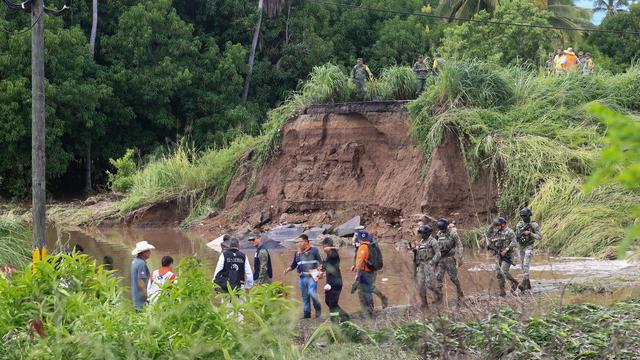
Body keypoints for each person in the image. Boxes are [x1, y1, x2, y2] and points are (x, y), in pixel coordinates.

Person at [284, 234, 323, 319]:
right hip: (302, 278)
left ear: (306, 242)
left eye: (300, 241)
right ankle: (307, 315)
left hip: (311, 278)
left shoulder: (314, 250)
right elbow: (294, 265)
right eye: (298, 242)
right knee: (305, 297)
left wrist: (320, 272)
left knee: (312, 294)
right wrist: (287, 270)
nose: (299, 243)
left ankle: (318, 311)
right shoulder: (297, 253)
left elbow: (322, 262)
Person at [351, 228, 389, 308]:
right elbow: (358, 255)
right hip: (370, 268)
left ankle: (369, 309)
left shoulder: (364, 244)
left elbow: (361, 257)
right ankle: (372, 305)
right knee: (366, 288)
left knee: (366, 289)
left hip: (366, 270)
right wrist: (355, 265)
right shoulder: (371, 241)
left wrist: (357, 272)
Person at [433, 218, 464, 303]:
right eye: (440, 229)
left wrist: (460, 257)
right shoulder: (439, 234)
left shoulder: (453, 234)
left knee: (453, 278)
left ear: (446, 226)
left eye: (443, 228)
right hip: (440, 259)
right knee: (438, 277)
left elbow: (459, 245)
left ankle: (460, 292)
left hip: (450, 258)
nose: (442, 230)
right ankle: (439, 297)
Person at [486, 217, 518, 296]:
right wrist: (493, 224)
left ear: (503, 224)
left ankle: (514, 282)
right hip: (498, 255)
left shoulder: (509, 232)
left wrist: (506, 250)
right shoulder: (496, 231)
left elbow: (514, 242)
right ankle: (502, 291)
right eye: (495, 225)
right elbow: (487, 233)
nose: (496, 227)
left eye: (498, 225)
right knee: (498, 273)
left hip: (508, 255)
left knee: (503, 272)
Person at [321, 237, 349, 322]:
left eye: (324, 246)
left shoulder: (333, 254)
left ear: (327, 245)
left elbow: (329, 249)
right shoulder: (329, 255)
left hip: (336, 282)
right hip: (330, 282)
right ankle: (344, 315)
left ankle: (334, 321)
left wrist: (331, 247)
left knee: (332, 304)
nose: (323, 248)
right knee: (328, 301)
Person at [413, 225, 441, 309]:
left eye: (424, 233)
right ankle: (424, 304)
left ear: (429, 233)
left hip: (429, 263)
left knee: (429, 284)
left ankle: (439, 295)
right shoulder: (421, 242)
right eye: (421, 233)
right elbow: (418, 253)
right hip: (421, 264)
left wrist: (432, 262)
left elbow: (438, 253)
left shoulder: (433, 241)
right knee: (420, 285)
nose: (422, 235)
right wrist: (415, 252)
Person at [351, 230, 378, 316]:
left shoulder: (363, 247)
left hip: (364, 272)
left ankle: (368, 311)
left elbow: (361, 260)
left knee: (364, 292)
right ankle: (369, 309)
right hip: (370, 272)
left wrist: (357, 273)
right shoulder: (370, 245)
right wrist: (355, 266)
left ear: (359, 238)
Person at [515, 207, 541, 291]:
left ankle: (523, 283)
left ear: (529, 215)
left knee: (526, 264)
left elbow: (539, 237)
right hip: (520, 246)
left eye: (525, 216)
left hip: (529, 246)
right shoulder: (519, 224)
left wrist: (530, 233)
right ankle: (528, 285)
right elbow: (516, 236)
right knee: (523, 266)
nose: (523, 217)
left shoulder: (534, 225)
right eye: (522, 216)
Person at [130, 241, 155, 310]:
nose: (150, 252)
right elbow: (141, 281)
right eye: (148, 251)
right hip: (141, 299)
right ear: (143, 253)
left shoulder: (135, 261)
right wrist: (147, 296)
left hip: (136, 297)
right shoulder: (141, 264)